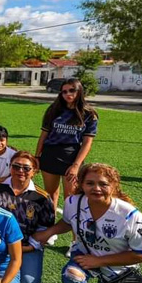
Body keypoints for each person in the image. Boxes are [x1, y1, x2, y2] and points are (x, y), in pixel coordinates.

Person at [33, 163, 142, 283]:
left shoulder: (130, 215)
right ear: (81, 184)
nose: (96, 188)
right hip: (84, 255)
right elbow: (68, 222)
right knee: (72, 277)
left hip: (117, 267)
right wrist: (48, 232)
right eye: (90, 183)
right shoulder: (73, 202)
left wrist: (99, 261)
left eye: (103, 184)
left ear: (114, 185)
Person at [0, 151, 55, 283]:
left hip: (26, 246)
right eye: (16, 166)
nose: (20, 171)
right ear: (10, 167)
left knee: (29, 282)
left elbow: (46, 230)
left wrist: (30, 247)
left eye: (26, 168)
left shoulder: (42, 197)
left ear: (34, 172)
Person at [35, 78, 98, 209]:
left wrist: (76, 165)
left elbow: (87, 143)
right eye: (64, 92)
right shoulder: (54, 109)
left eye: (72, 90)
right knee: (50, 194)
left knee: (71, 198)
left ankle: (74, 228)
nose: (68, 94)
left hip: (71, 157)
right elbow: (43, 136)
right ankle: (51, 226)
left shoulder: (89, 114)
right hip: (50, 154)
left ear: (79, 91)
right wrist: (37, 157)